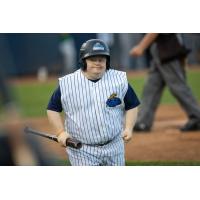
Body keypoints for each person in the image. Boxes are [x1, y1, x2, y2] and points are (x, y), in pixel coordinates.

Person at [47, 39, 140, 166]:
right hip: (82, 150)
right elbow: (52, 109)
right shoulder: (67, 83)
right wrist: (60, 132)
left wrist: (129, 128)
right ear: (84, 60)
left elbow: (132, 105)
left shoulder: (118, 79)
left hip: (115, 147)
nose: (97, 63)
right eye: (93, 59)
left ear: (107, 61)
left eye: (101, 59)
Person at [130, 33, 200, 132]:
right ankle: (143, 122)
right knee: (152, 86)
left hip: (168, 49)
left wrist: (141, 47)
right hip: (159, 49)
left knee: (178, 86)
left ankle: (197, 117)